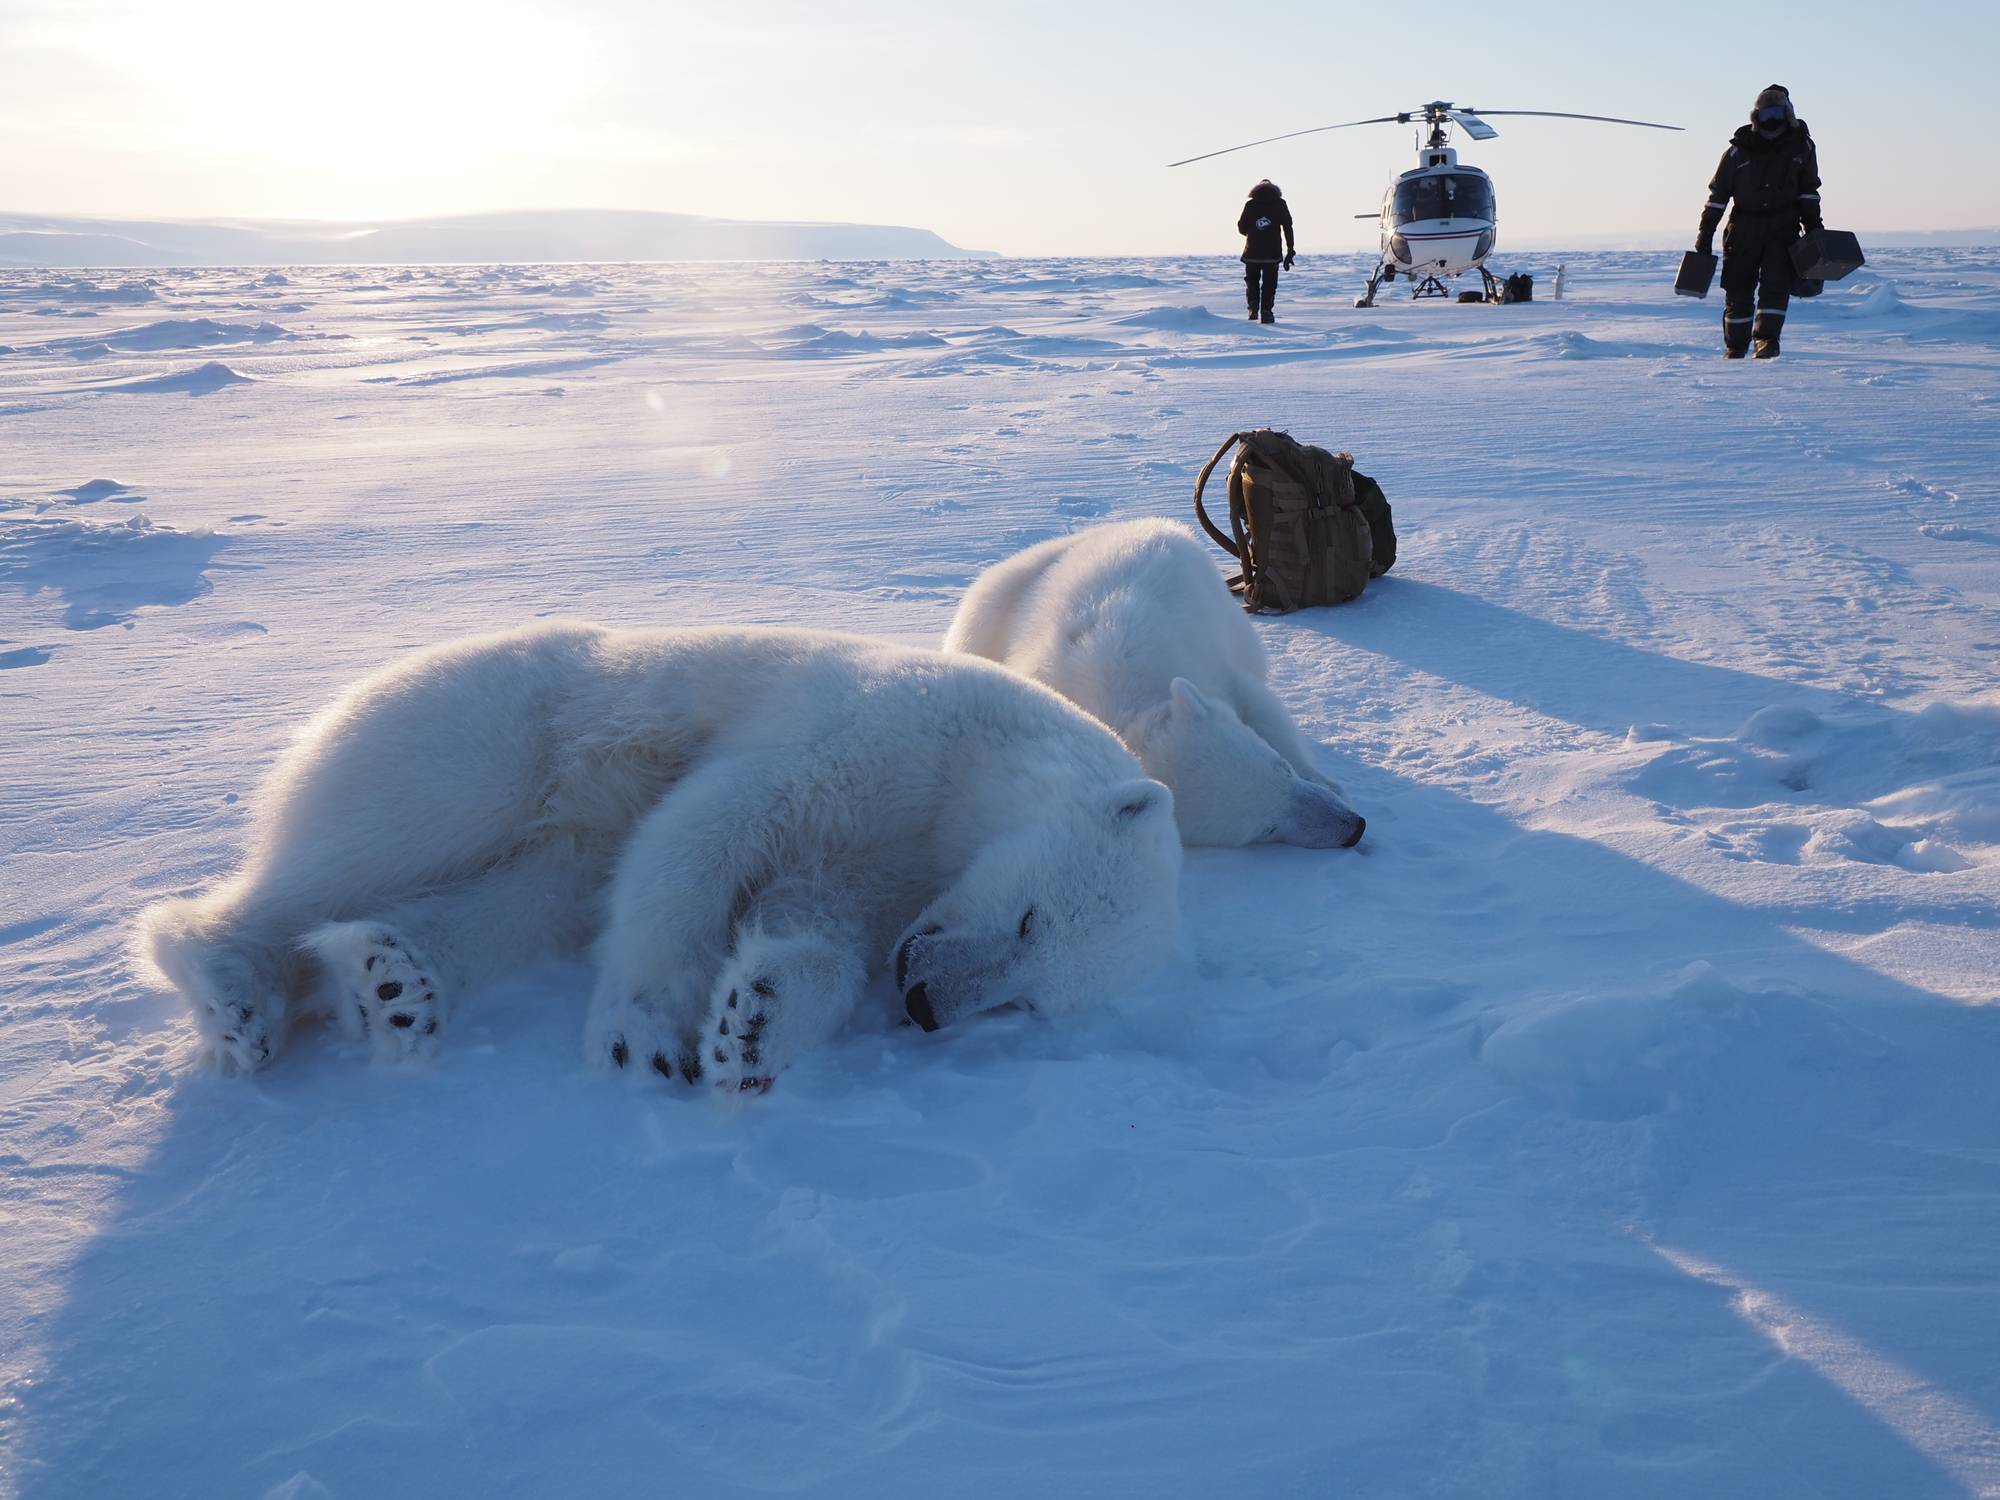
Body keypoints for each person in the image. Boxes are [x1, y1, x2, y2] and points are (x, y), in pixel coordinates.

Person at [1693, 84, 1823, 359]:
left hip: (1783, 229)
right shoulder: (1737, 152)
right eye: (1765, 115)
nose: (1770, 120)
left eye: (1776, 113)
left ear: (1787, 114)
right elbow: (1717, 197)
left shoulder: (1802, 148)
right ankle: (1735, 347)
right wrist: (1705, 235)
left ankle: (1767, 342)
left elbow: (1809, 192)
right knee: (1738, 290)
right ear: (1756, 117)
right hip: (1743, 230)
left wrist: (1814, 229)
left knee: (1776, 287)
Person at [1238, 179, 1295, 325]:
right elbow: (1288, 227)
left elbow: (1241, 227)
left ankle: (1253, 306)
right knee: (1270, 283)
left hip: (1252, 252)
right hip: (1272, 253)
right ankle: (1266, 311)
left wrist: (1252, 233)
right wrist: (1290, 249)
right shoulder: (1280, 204)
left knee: (1252, 282)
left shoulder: (1250, 205)